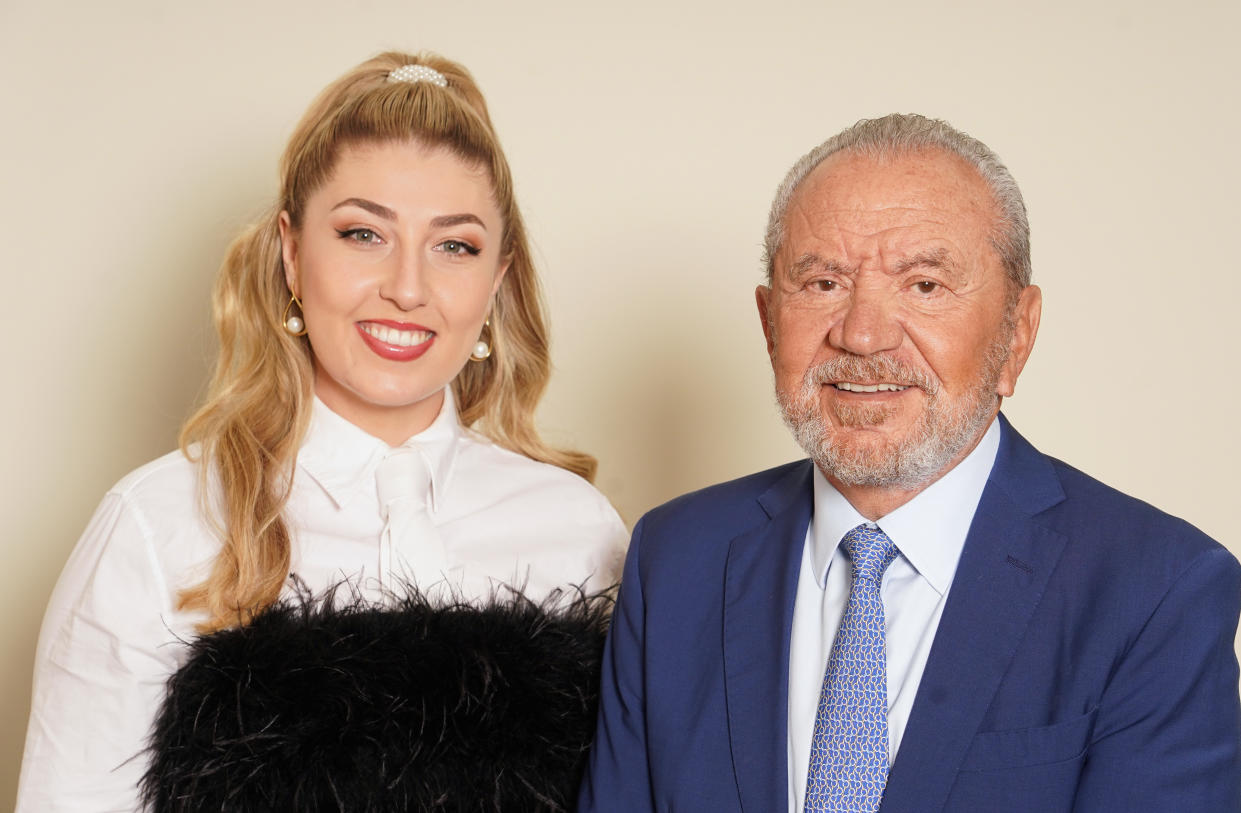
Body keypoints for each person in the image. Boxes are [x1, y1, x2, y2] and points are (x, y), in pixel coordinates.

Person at [578, 114, 1241, 812]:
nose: (862, 333)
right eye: (822, 283)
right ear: (770, 323)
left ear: (1017, 333)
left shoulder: (1154, 589)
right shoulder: (677, 559)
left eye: (924, 284)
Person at [18, 52, 626, 812]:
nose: (407, 287)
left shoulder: (579, 532)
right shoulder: (156, 524)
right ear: (291, 253)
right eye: (363, 234)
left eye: (455, 245)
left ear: (496, 282)